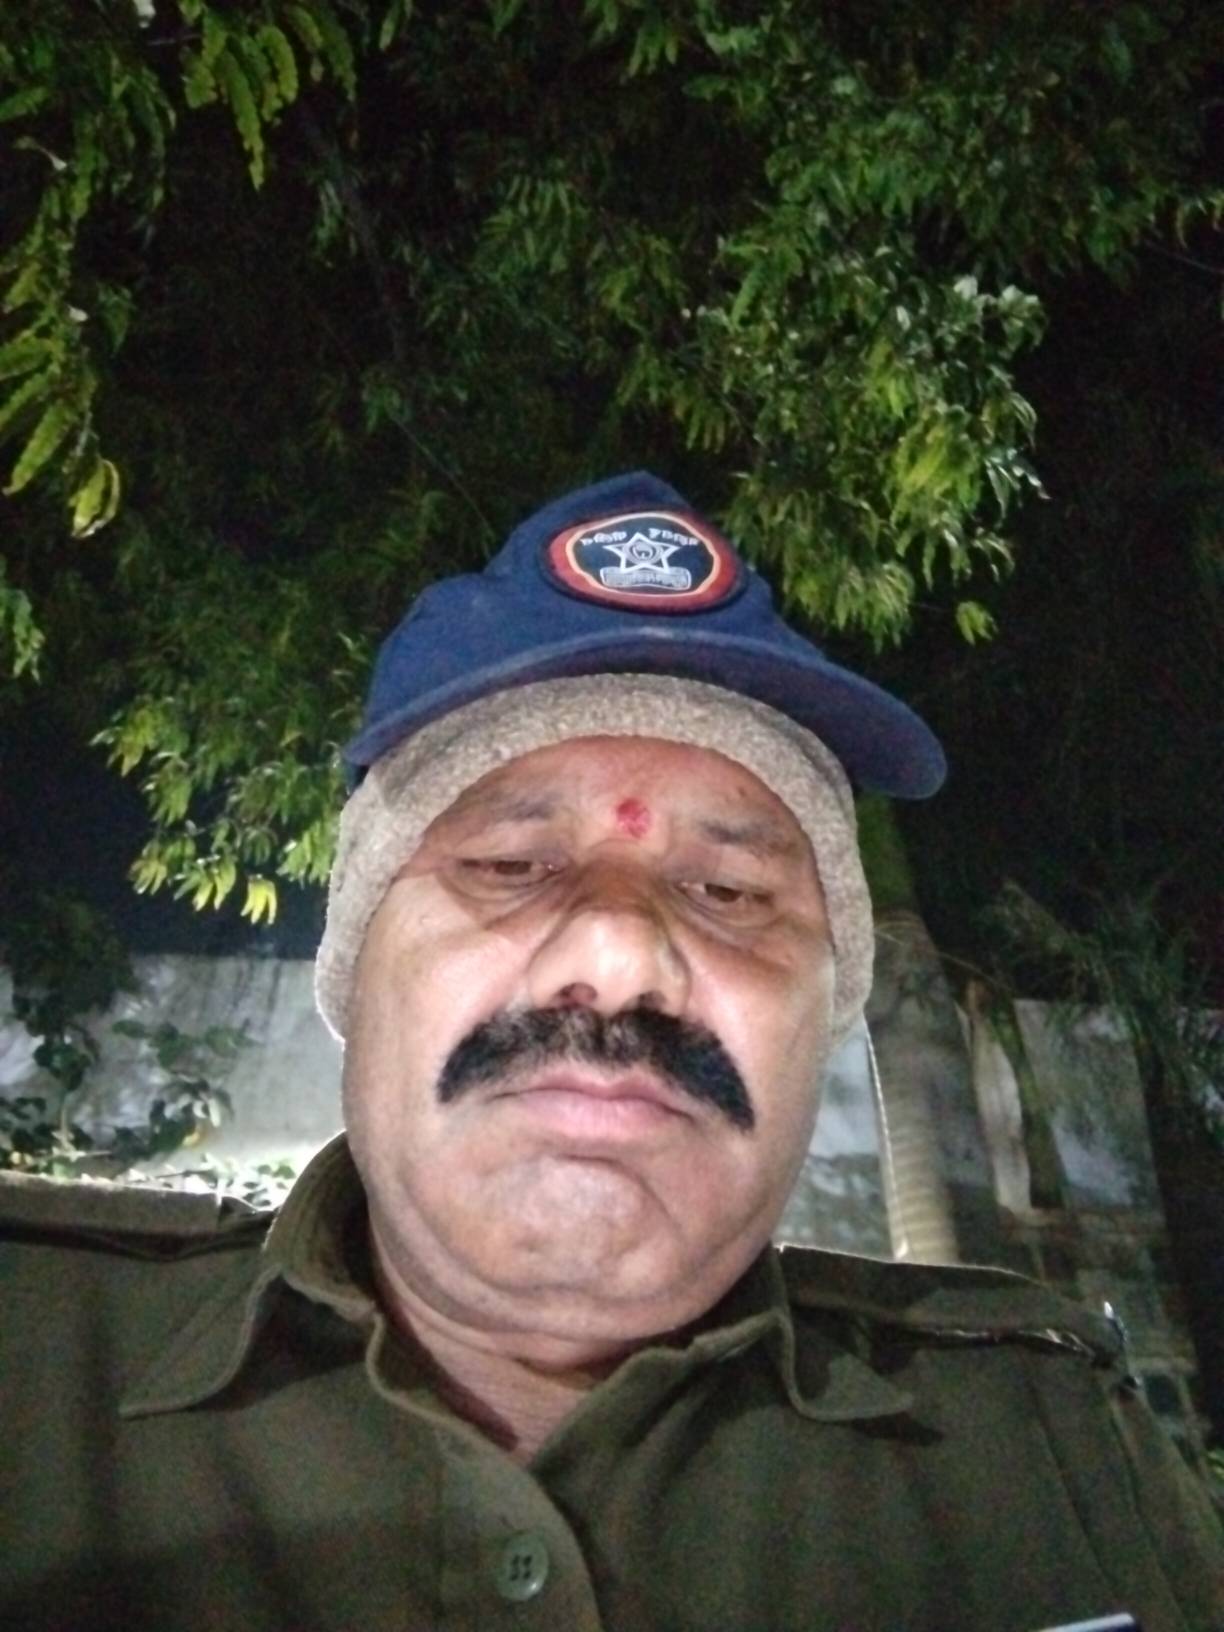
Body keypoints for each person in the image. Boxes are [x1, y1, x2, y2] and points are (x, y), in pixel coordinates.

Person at [2, 472, 1220, 1632]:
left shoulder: (1056, 1447)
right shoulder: (29, 1362)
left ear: (824, 1018)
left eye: (728, 891)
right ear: (355, 972)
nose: (622, 952)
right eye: (510, 865)